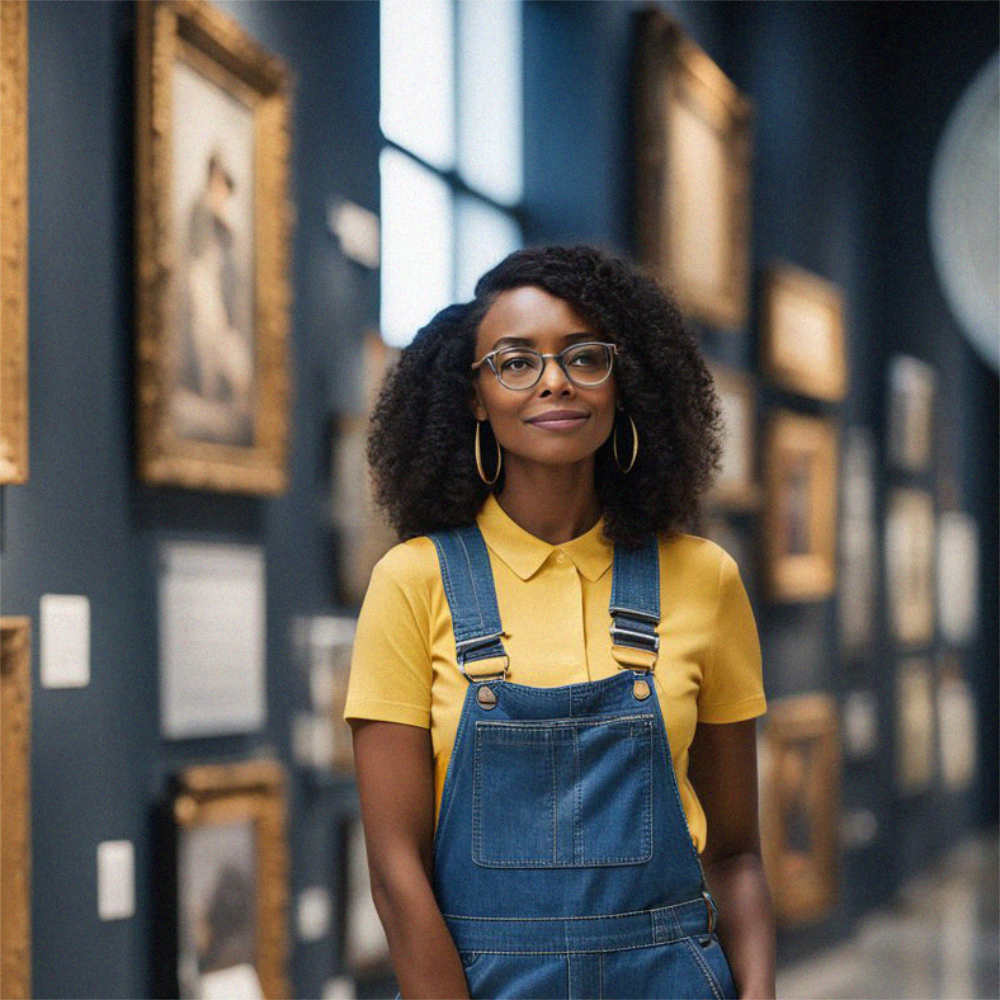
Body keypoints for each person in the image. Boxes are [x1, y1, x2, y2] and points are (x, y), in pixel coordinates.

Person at [344, 245, 776, 999]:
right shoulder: (413, 584)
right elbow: (395, 873)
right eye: (515, 362)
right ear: (474, 397)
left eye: (585, 357)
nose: (554, 380)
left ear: (623, 381)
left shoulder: (705, 581)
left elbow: (736, 855)